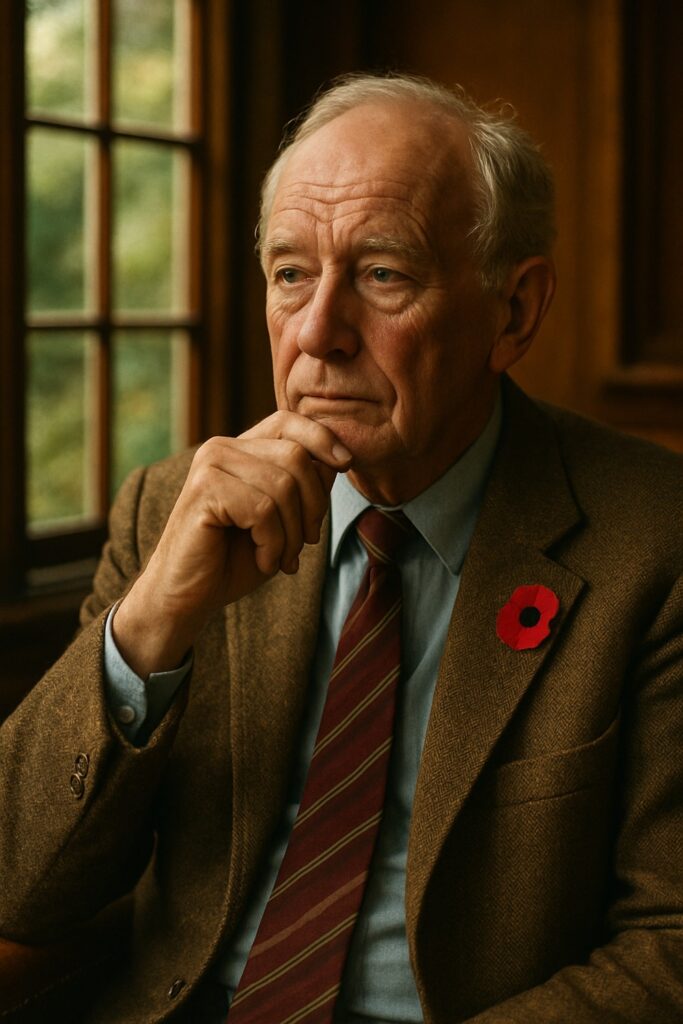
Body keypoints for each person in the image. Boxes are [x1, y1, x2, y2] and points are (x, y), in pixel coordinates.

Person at [1, 72, 681, 1024]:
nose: (317, 333)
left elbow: (670, 944)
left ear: (513, 312)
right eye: (290, 275)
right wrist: (153, 621)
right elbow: (19, 889)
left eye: (382, 275)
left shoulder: (654, 542)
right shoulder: (168, 511)